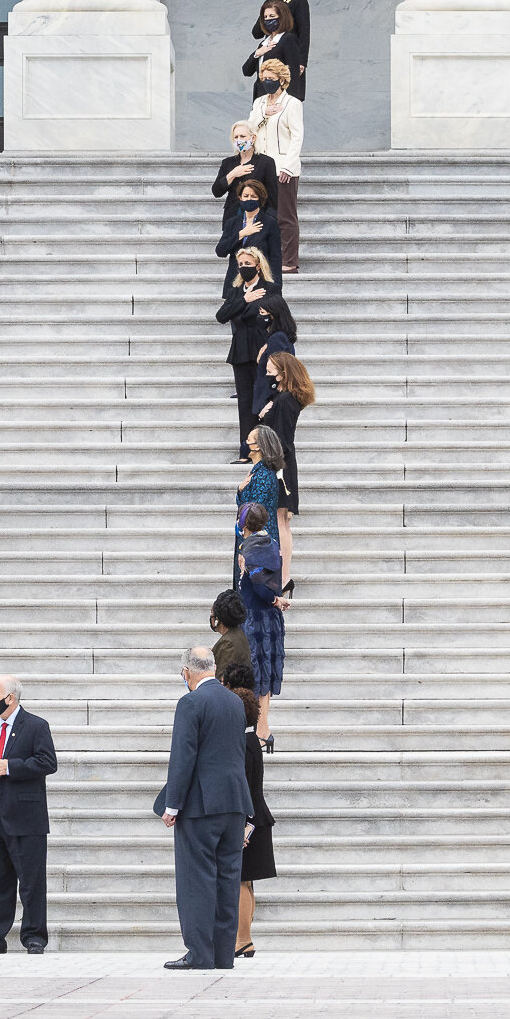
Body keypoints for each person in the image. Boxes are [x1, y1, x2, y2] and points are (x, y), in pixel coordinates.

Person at [153, 645, 253, 971]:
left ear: (187, 672)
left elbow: (183, 757)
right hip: (234, 804)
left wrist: (172, 805)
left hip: (200, 807)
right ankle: (223, 955)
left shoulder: (190, 702)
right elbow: (237, 755)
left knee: (196, 881)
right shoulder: (235, 702)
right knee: (227, 881)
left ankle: (199, 953)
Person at [0, 675, 56, 955]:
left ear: (10, 699)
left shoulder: (36, 725)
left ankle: (34, 936)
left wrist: (12, 767)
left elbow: (48, 762)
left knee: (31, 880)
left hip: (25, 816)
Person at [234, 443, 290, 747]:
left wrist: (272, 598)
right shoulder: (270, 542)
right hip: (271, 618)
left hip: (256, 617)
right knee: (266, 674)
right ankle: (263, 727)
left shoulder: (251, 549)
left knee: (255, 672)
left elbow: (257, 582)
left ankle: (257, 728)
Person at [216, 248, 292, 458]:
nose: (244, 268)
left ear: (258, 265)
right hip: (240, 351)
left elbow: (279, 316)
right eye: (240, 264)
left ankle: (267, 449)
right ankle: (247, 450)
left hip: (262, 348)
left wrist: (271, 346)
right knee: (245, 402)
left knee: (263, 398)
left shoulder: (271, 289)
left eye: (248, 264)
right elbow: (221, 316)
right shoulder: (236, 291)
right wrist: (245, 301)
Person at [231, 677, 274, 959]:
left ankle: (243, 940)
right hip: (257, 818)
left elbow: (244, 785)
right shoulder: (251, 741)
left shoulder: (243, 744)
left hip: (250, 820)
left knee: (242, 881)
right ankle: (243, 939)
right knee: (246, 882)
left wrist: (243, 827)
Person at [249, 59, 304, 273]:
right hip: (262, 166)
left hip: (283, 168)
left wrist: (288, 168)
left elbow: (297, 137)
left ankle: (289, 262)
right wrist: (265, 114)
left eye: (271, 79)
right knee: (262, 214)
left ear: (281, 80)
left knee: (285, 216)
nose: (267, 82)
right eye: (264, 79)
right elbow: (250, 127)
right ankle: (265, 260)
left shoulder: (293, 104)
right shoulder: (260, 103)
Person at [253, 351, 312, 551]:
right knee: (279, 521)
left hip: (280, 464)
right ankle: (283, 577)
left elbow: (283, 438)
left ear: (283, 371)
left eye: (271, 365)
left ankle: (284, 577)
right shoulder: (280, 396)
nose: (267, 366)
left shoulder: (286, 400)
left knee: (281, 522)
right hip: (279, 463)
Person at [216, 180, 280, 296]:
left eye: (253, 196)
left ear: (260, 198)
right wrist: (242, 234)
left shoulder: (270, 223)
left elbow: (276, 258)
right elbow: (220, 251)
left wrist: (276, 289)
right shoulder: (232, 223)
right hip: (235, 281)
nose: (249, 199)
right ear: (240, 198)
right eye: (246, 196)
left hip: (260, 282)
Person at [257, 0, 311, 98]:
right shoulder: (269, 2)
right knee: (265, 101)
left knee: (288, 100)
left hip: (289, 56)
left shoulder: (298, 1)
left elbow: (304, 33)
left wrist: (302, 61)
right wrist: (267, 13)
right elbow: (256, 33)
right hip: (270, 55)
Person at [210, 122, 277, 227]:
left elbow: (273, 196)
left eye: (242, 136)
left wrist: (270, 221)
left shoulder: (266, 162)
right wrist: (233, 174)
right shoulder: (228, 163)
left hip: (258, 219)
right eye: (235, 137)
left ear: (253, 138)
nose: (239, 140)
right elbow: (216, 191)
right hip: (232, 218)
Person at [241, 0, 296, 101]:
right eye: (265, 17)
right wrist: (257, 53)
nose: (268, 20)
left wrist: (287, 100)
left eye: (272, 16)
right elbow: (246, 71)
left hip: (278, 97)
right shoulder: (264, 43)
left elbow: (293, 73)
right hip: (260, 97)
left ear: (282, 17)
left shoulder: (288, 39)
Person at [208, 590, 251, 682]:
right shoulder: (238, 635)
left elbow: (221, 680)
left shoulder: (228, 643)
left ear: (217, 619)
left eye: (212, 614)